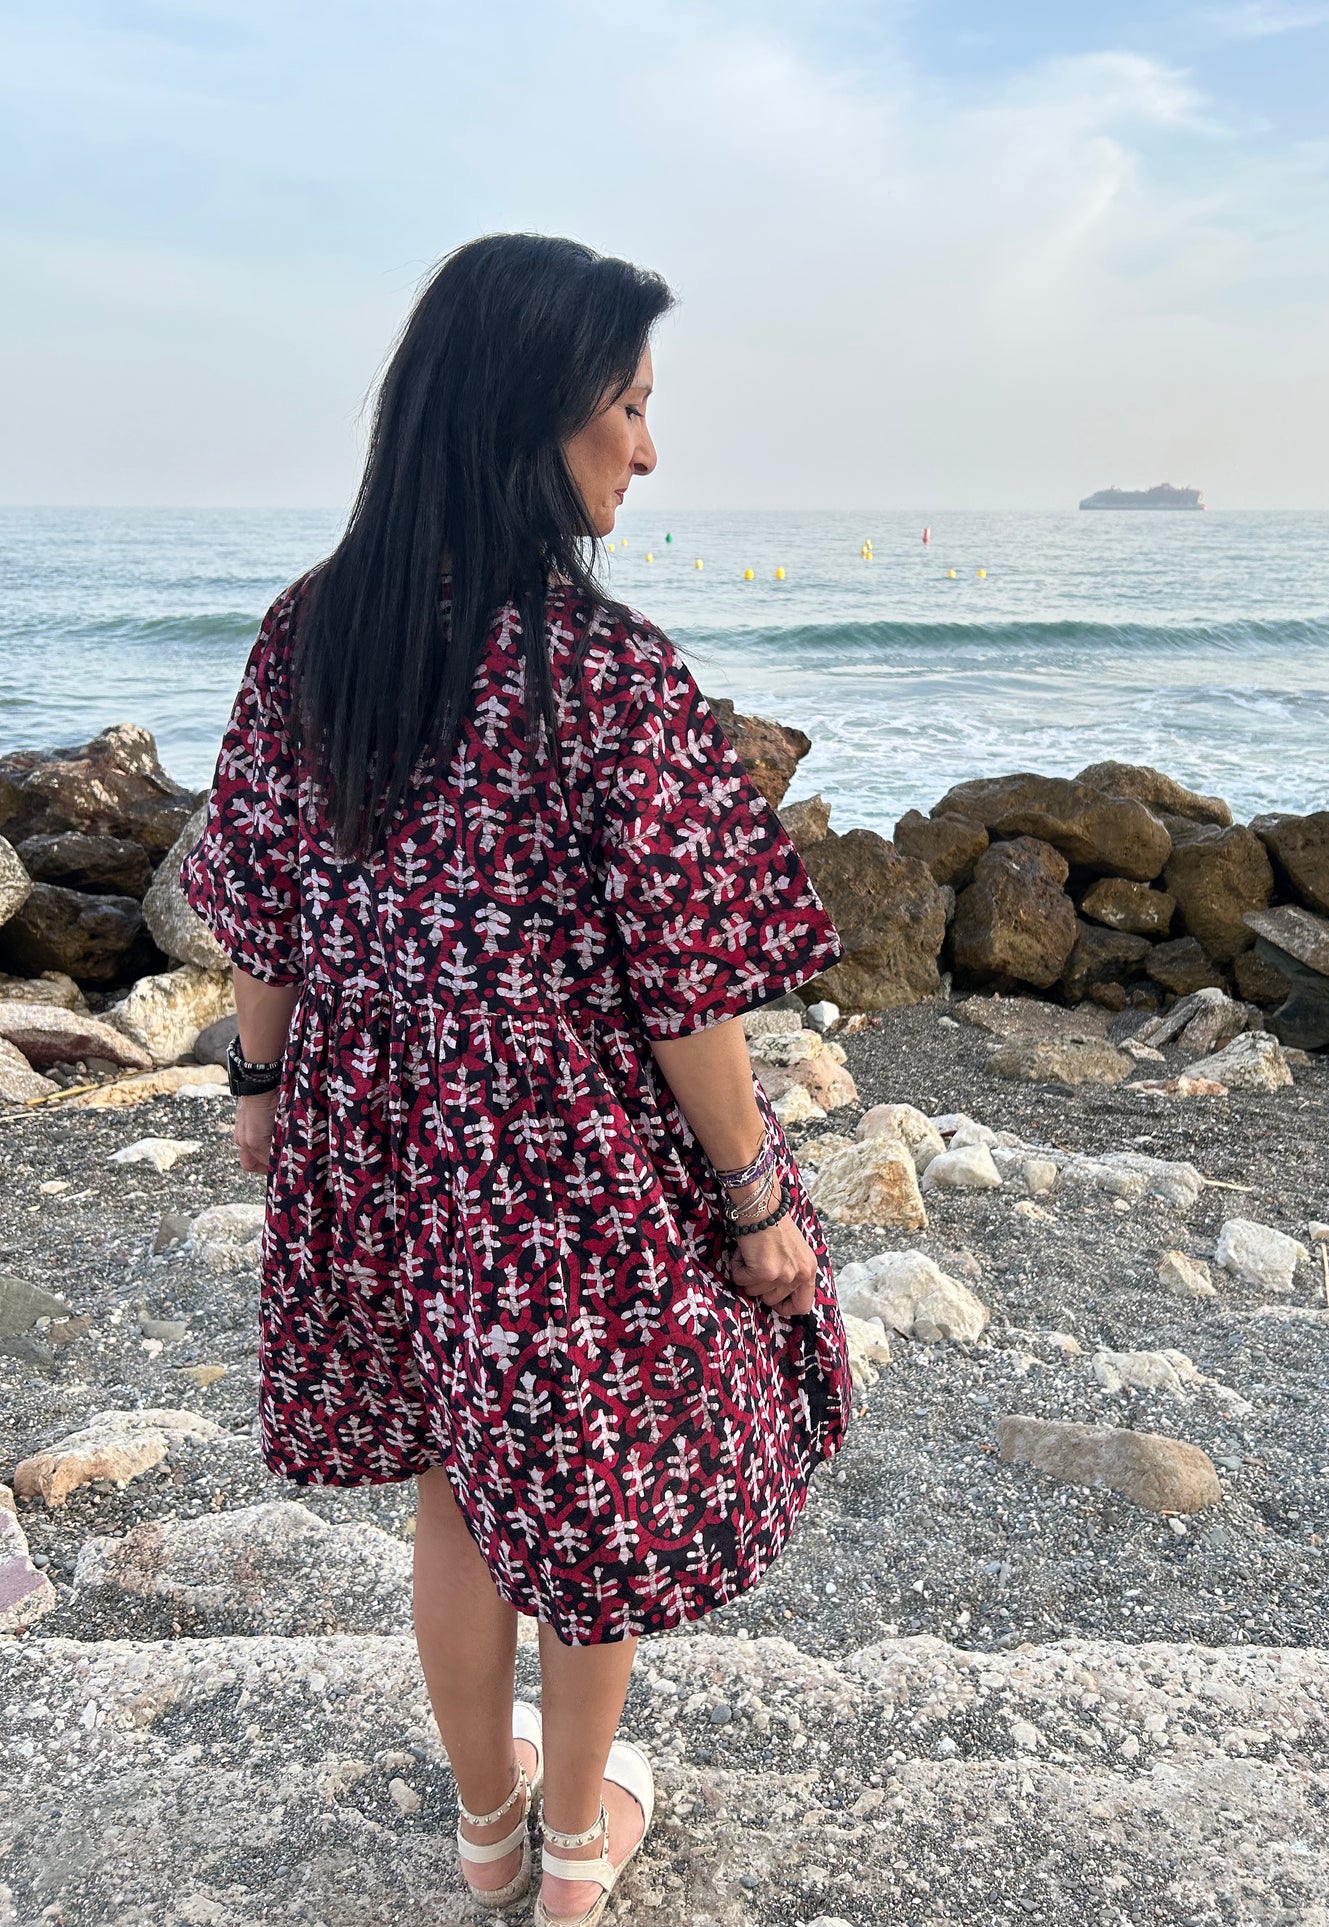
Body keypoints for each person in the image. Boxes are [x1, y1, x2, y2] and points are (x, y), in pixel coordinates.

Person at [179, 232, 852, 1927]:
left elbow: (262, 884)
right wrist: (755, 1196)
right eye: (628, 404)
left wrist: (261, 1087)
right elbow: (683, 985)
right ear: (531, 414)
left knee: (456, 1491)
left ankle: (486, 1829)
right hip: (563, 1152)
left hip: (379, 1130)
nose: (647, 445)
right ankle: (565, 1866)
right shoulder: (594, 675)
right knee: (586, 1479)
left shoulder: (311, 633)